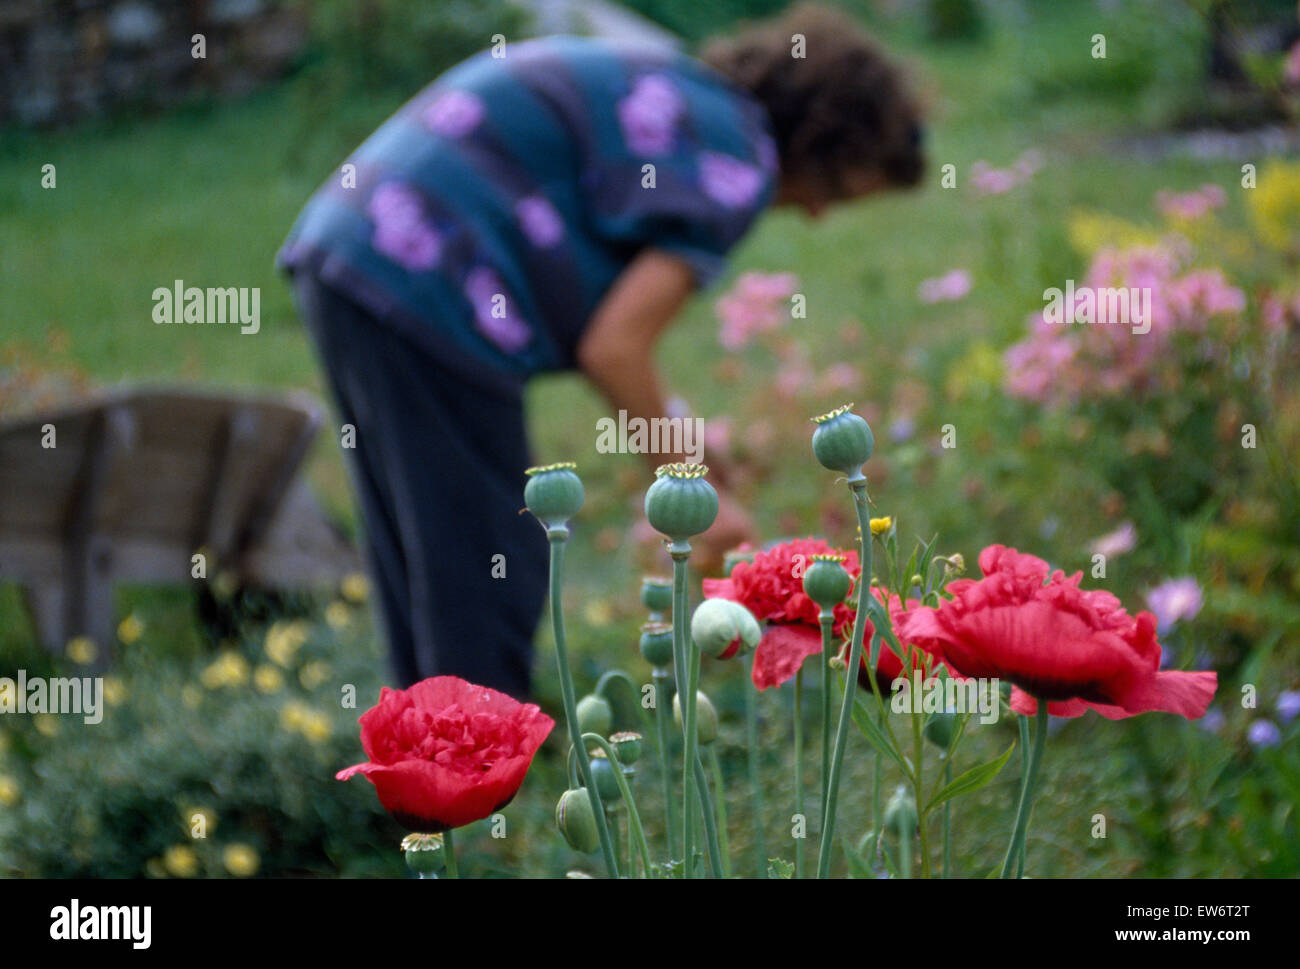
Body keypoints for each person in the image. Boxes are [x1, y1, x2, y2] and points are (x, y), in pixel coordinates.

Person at [277, 2, 925, 699]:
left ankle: (425, 767)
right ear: (823, 139)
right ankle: (473, 770)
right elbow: (613, 347)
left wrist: (681, 435)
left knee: (425, 542)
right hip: (427, 278)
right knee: (490, 553)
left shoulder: (685, 99)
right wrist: (689, 489)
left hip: (350, 249)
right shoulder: (735, 164)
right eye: (835, 188)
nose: (819, 213)